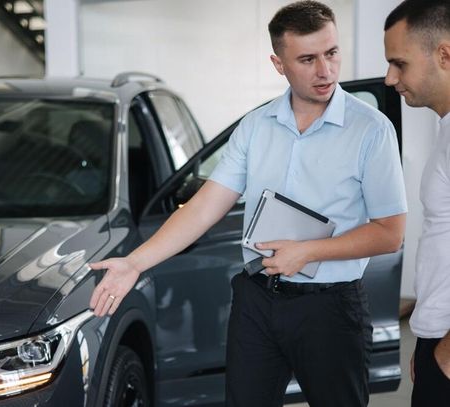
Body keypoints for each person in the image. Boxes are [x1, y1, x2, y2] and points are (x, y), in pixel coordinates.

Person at [90, 1, 407, 406]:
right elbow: (206, 206)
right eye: (307, 59)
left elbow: (389, 233)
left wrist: (308, 252)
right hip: (257, 301)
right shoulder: (256, 127)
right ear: (279, 64)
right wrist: (135, 263)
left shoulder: (371, 130)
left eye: (331, 53)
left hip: (331, 305)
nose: (325, 70)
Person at [384, 1, 450, 406]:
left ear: (444, 54)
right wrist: (428, 336)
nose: (390, 78)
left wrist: (446, 352)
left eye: (399, 63)